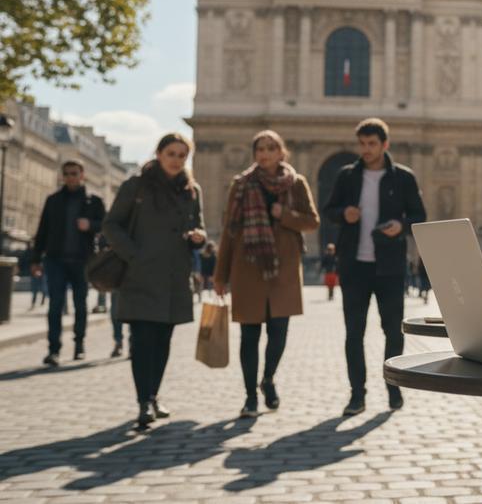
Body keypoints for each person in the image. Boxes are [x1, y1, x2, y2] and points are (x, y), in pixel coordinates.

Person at [322, 118, 426, 416]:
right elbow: (329, 211)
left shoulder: (403, 178)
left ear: (384, 144)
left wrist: (401, 225)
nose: (366, 149)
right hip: (354, 266)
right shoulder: (346, 176)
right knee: (353, 333)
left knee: (393, 332)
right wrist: (344, 213)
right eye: (362, 144)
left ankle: (393, 387)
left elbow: (419, 216)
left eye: (372, 144)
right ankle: (357, 395)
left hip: (390, 266)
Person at [103, 133, 206, 429]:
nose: (176, 160)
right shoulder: (136, 185)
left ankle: (153, 395)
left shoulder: (192, 190)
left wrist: (199, 237)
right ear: (159, 154)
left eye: (182, 155)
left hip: (174, 275)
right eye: (171, 153)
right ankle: (143, 402)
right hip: (141, 274)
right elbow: (111, 225)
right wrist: (133, 254)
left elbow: (198, 225)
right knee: (142, 340)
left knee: (162, 341)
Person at [214, 130, 319, 418]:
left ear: (281, 152)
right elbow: (229, 231)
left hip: (283, 269)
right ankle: (250, 396)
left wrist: (284, 215)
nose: (265, 153)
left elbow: (312, 222)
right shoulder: (240, 185)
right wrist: (220, 275)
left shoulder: (296, 183)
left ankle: (268, 378)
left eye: (271, 148)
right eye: (260, 148)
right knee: (249, 336)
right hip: (248, 267)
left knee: (278, 334)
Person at [30, 160, 106, 365]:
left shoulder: (94, 201)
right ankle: (53, 349)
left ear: (82, 175)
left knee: (80, 305)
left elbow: (106, 226)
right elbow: (42, 230)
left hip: (82, 260)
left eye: (74, 173)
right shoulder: (53, 200)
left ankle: (79, 344)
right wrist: (36, 259)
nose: (70, 177)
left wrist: (90, 225)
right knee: (55, 305)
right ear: (62, 176)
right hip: (55, 260)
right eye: (67, 174)